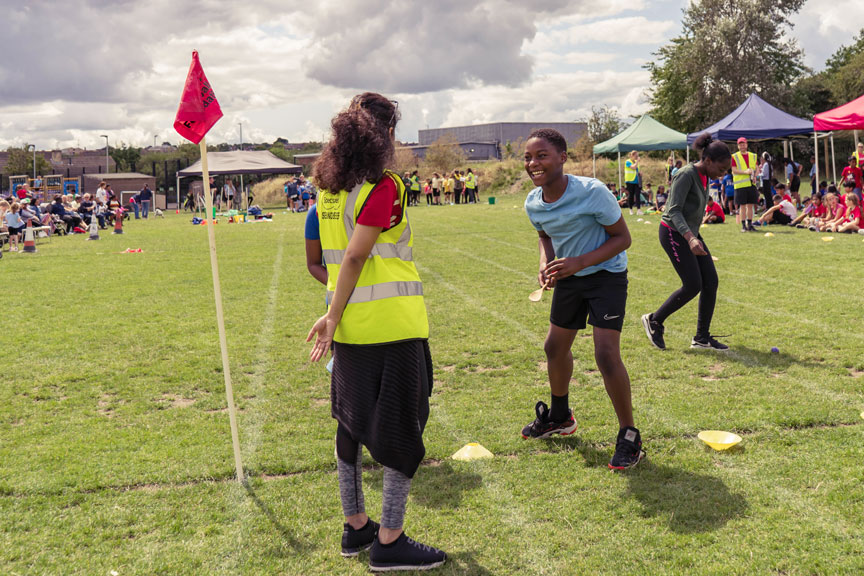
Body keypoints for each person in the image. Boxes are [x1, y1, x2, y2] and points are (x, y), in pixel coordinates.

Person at [306, 92, 446, 571]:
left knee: (350, 425)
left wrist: (333, 317)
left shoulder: (326, 186)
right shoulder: (382, 186)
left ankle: (356, 526)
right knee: (402, 431)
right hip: (390, 329)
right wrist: (332, 316)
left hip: (349, 333)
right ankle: (389, 540)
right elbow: (355, 256)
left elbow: (331, 255)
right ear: (385, 135)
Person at [521, 128, 644, 470]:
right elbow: (545, 235)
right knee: (553, 348)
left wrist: (580, 261)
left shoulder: (592, 192)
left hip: (606, 277)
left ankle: (629, 436)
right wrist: (546, 263)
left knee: (605, 354)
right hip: (570, 280)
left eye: (542, 155)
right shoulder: (533, 202)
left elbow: (622, 238)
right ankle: (560, 417)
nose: (533, 163)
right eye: (528, 158)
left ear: (562, 158)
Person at [642, 133, 731, 351]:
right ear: (708, 161)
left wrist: (693, 236)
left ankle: (701, 337)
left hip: (690, 234)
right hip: (674, 233)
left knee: (710, 281)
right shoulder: (686, 174)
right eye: (721, 170)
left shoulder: (705, 175)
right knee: (693, 285)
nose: (722, 175)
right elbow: (673, 210)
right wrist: (690, 238)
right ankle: (654, 320)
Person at [731, 137, 758, 232]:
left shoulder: (753, 156)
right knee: (742, 206)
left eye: (744, 144)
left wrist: (755, 175)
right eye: (740, 144)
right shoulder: (734, 156)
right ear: (738, 146)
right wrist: (745, 172)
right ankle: (743, 226)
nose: (742, 146)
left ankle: (750, 224)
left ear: (747, 145)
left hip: (751, 184)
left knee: (750, 206)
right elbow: (733, 170)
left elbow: (756, 168)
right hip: (740, 185)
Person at [624, 150, 642, 215]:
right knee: (631, 195)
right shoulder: (627, 161)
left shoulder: (636, 163)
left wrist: (640, 173)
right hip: (629, 181)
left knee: (637, 195)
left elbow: (637, 170)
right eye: (636, 156)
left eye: (637, 156)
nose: (637, 157)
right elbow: (633, 167)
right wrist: (637, 161)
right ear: (632, 155)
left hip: (636, 181)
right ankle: (631, 209)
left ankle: (639, 210)